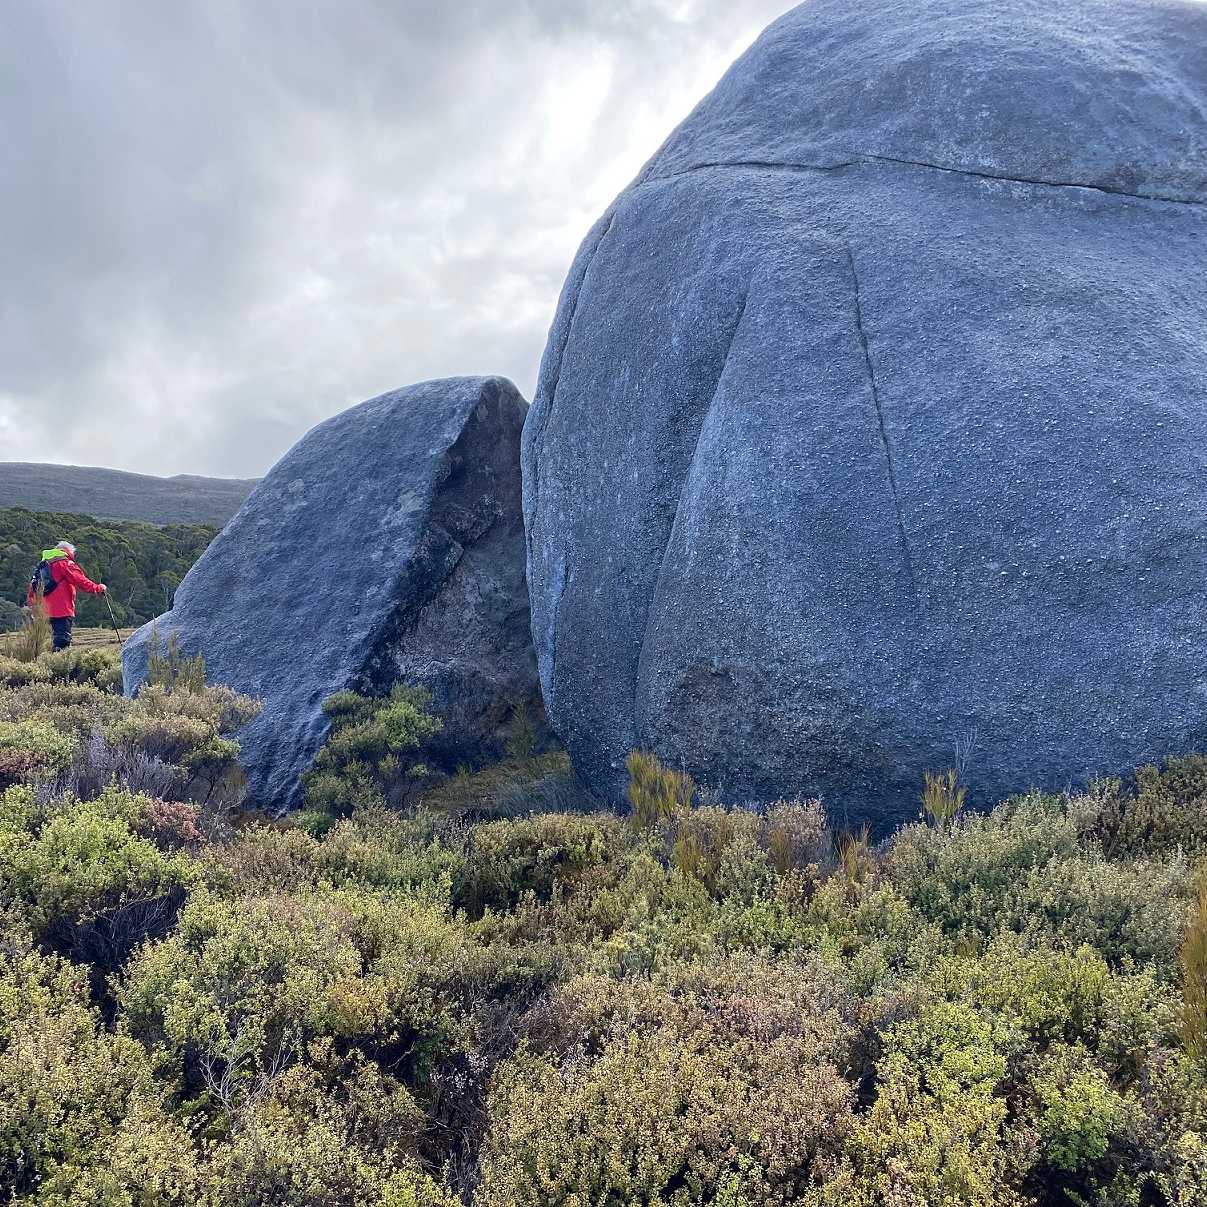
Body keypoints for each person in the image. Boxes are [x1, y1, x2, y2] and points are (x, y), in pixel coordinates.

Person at [28, 541, 107, 651]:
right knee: (62, 643)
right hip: (61, 610)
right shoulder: (64, 563)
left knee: (42, 645)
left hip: (42, 612)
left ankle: (41, 665)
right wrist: (98, 588)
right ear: (68, 551)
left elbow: (32, 590)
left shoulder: (42, 566)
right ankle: (58, 666)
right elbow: (80, 580)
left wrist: (34, 609)